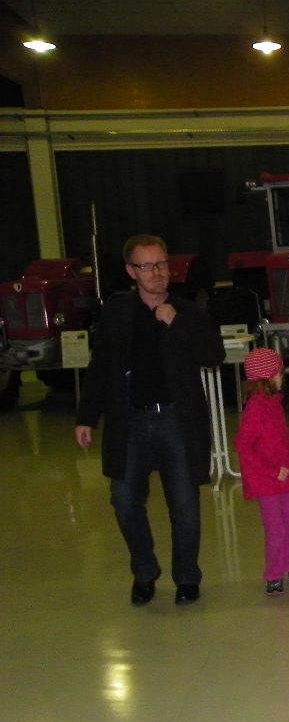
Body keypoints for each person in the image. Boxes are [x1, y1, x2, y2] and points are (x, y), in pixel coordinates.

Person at [75, 235, 225, 606]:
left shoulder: (188, 310)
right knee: (124, 500)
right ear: (131, 272)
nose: (157, 273)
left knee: (185, 505)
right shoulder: (117, 313)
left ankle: (187, 578)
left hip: (176, 422)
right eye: (147, 266)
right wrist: (86, 417)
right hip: (129, 422)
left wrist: (177, 323)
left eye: (161, 264)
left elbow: (213, 355)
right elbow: (101, 366)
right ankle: (144, 573)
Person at [234, 348, 289, 596]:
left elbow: (281, 445)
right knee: (276, 529)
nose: (281, 377)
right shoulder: (256, 409)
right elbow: (244, 446)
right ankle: (274, 574)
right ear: (268, 377)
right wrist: (272, 471)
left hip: (284, 480)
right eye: (279, 373)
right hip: (267, 482)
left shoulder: (274, 405)